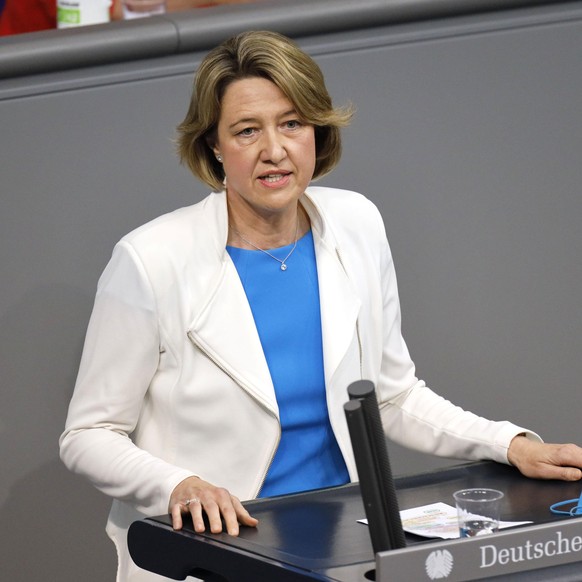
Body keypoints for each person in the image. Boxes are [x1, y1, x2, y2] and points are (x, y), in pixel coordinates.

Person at [59, 30, 582, 582]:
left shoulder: (357, 223)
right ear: (214, 145)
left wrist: (508, 442)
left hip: (339, 545)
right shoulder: (150, 259)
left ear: (317, 131)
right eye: (246, 131)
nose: (274, 149)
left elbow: (393, 395)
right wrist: (177, 486)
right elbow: (88, 435)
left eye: (291, 123)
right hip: (213, 552)